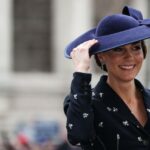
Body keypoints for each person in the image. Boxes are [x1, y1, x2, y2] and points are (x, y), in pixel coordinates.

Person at [63, 6, 150, 150]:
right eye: (118, 49)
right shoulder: (86, 103)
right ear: (101, 55)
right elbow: (79, 136)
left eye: (136, 48)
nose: (129, 57)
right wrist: (81, 71)